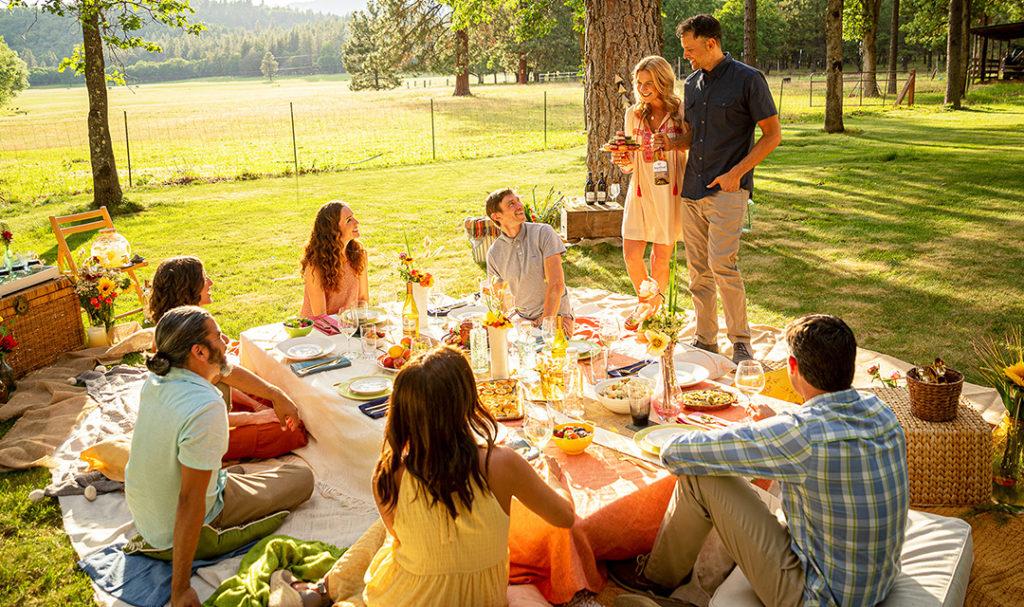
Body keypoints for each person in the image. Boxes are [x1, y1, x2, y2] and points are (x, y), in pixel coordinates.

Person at [610, 314, 909, 607]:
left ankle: (655, 578)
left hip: (816, 595)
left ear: (793, 366)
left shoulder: (800, 434)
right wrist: (776, 425)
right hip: (874, 581)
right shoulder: (878, 410)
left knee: (700, 476)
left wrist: (665, 437)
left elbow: (683, 455)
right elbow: (822, 442)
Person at [268, 346, 575, 607]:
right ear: (468, 400)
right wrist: (556, 480)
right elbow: (565, 518)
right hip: (481, 598)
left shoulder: (389, 474)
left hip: (407, 597)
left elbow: (398, 543)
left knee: (390, 539)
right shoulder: (503, 463)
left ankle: (323, 589)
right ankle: (326, 589)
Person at [125, 306, 315, 607]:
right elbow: (190, 500)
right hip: (184, 532)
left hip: (147, 518)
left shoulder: (161, 377)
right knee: (303, 478)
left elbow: (226, 370)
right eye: (218, 335)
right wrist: (181, 589)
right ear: (199, 351)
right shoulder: (205, 408)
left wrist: (277, 395)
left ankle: (228, 484)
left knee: (238, 474)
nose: (225, 338)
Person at [668, 14, 782, 364]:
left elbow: (772, 135)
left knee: (723, 266)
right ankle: (705, 339)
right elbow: (692, 137)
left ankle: (741, 341)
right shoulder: (692, 83)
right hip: (692, 191)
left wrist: (737, 173)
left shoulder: (748, 80)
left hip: (728, 191)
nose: (687, 56)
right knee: (698, 270)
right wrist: (671, 141)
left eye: (690, 49)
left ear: (711, 43)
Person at [149, 256, 308, 461]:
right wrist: (255, 417)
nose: (211, 282)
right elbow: (203, 413)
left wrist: (267, 400)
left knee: (279, 399)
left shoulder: (186, 327)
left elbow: (223, 374)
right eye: (204, 277)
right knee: (293, 431)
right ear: (188, 287)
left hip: (218, 403)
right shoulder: (179, 342)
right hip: (197, 430)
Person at [612, 56, 686, 309]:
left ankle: (653, 313)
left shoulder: (680, 111)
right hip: (641, 189)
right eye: (639, 83)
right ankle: (647, 304)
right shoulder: (633, 114)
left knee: (660, 257)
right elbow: (631, 162)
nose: (642, 89)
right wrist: (622, 158)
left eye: (649, 83)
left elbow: (691, 146)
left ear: (663, 82)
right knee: (632, 254)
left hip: (669, 190)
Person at [485, 188, 574, 335]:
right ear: (496, 216)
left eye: (518, 200)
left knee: (548, 353)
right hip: (523, 322)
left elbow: (556, 284)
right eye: (511, 204)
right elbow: (499, 300)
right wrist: (516, 321)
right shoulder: (494, 254)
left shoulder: (543, 233)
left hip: (556, 316)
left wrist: (544, 323)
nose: (520, 205)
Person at [301, 200, 369, 316]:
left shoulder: (360, 254)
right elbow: (321, 317)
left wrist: (361, 327)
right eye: (349, 220)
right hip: (319, 330)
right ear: (334, 231)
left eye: (353, 217)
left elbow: (363, 300)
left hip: (349, 326)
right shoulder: (315, 267)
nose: (356, 222)